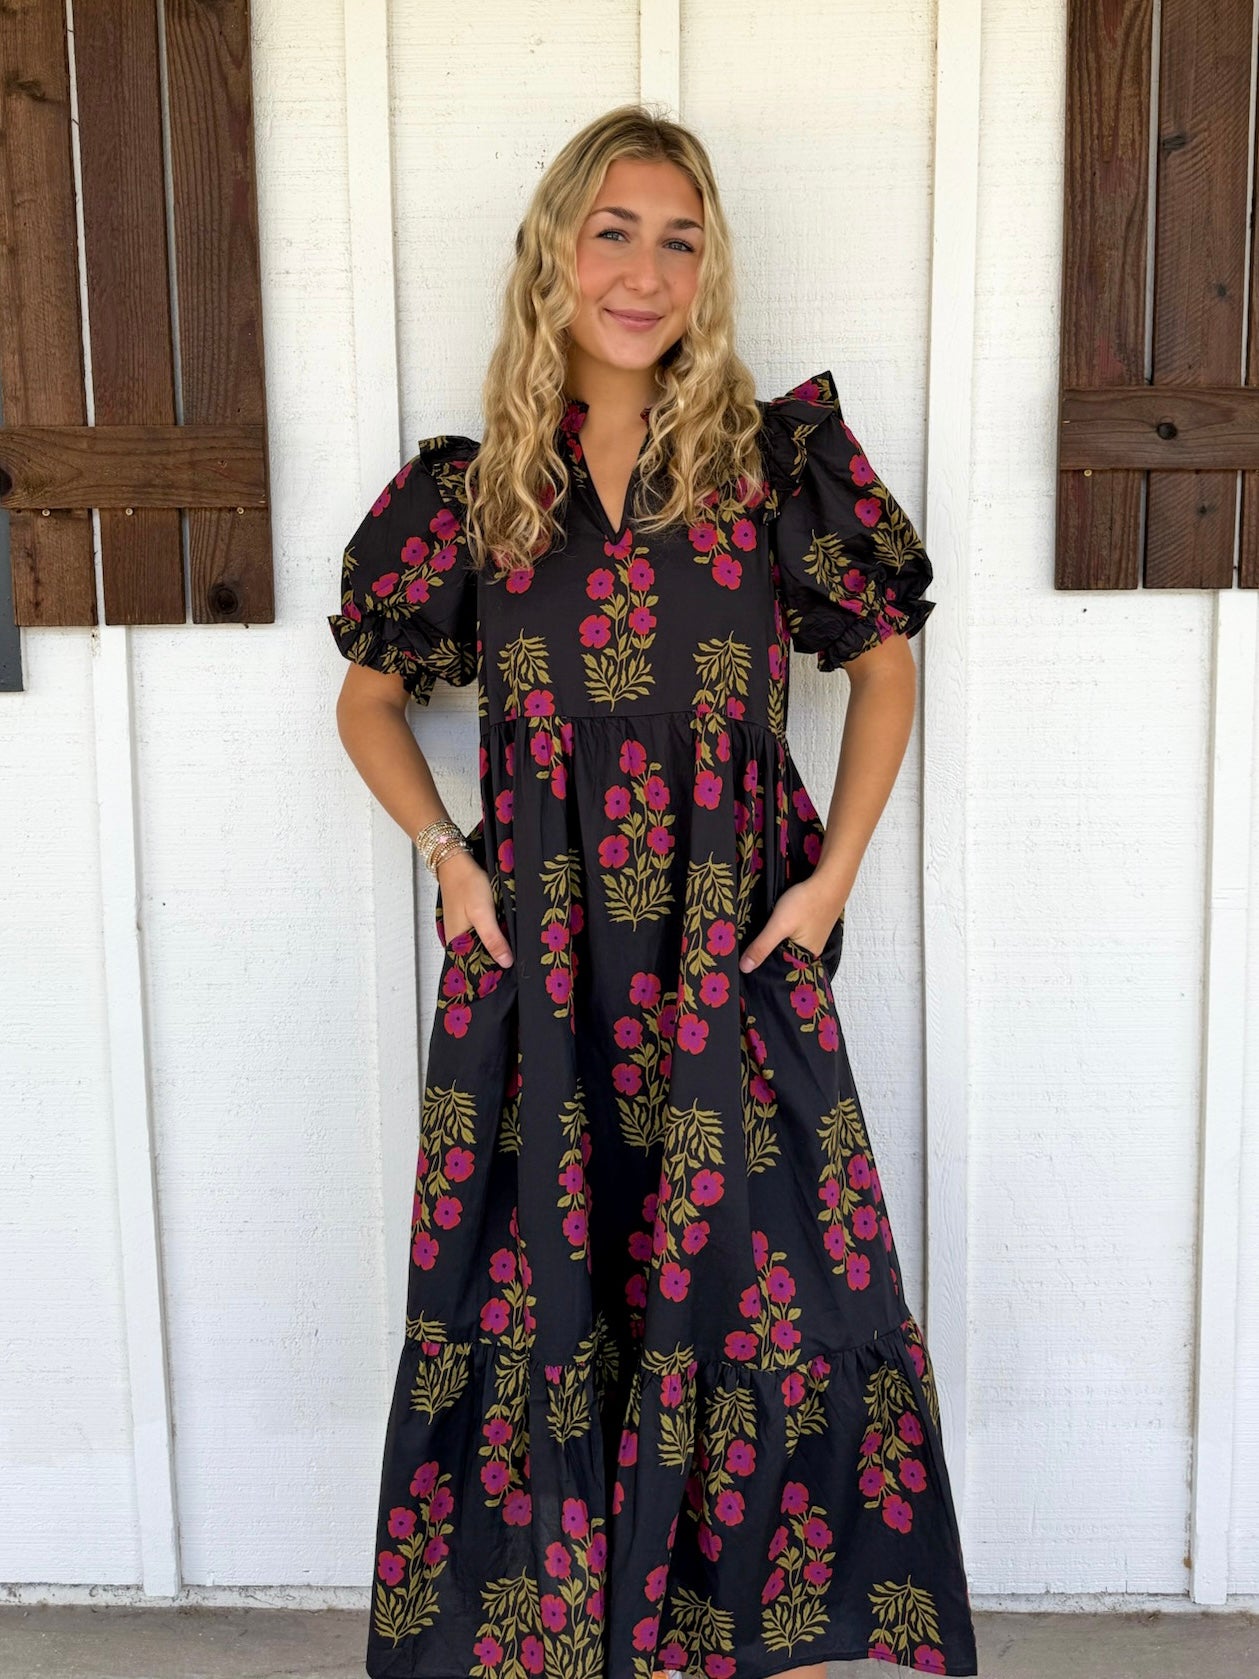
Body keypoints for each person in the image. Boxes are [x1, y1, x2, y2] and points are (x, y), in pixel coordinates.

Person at [329, 103, 978, 1679]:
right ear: (553, 253)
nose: (644, 272)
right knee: (543, 1292)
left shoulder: (770, 468)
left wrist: (827, 884)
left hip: (730, 955)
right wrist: (448, 858)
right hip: (542, 970)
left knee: (773, 1286)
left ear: (711, 269)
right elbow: (368, 701)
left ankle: (744, 1633)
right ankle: (561, 1634)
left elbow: (884, 667)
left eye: (679, 241)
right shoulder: (476, 491)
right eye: (612, 233)